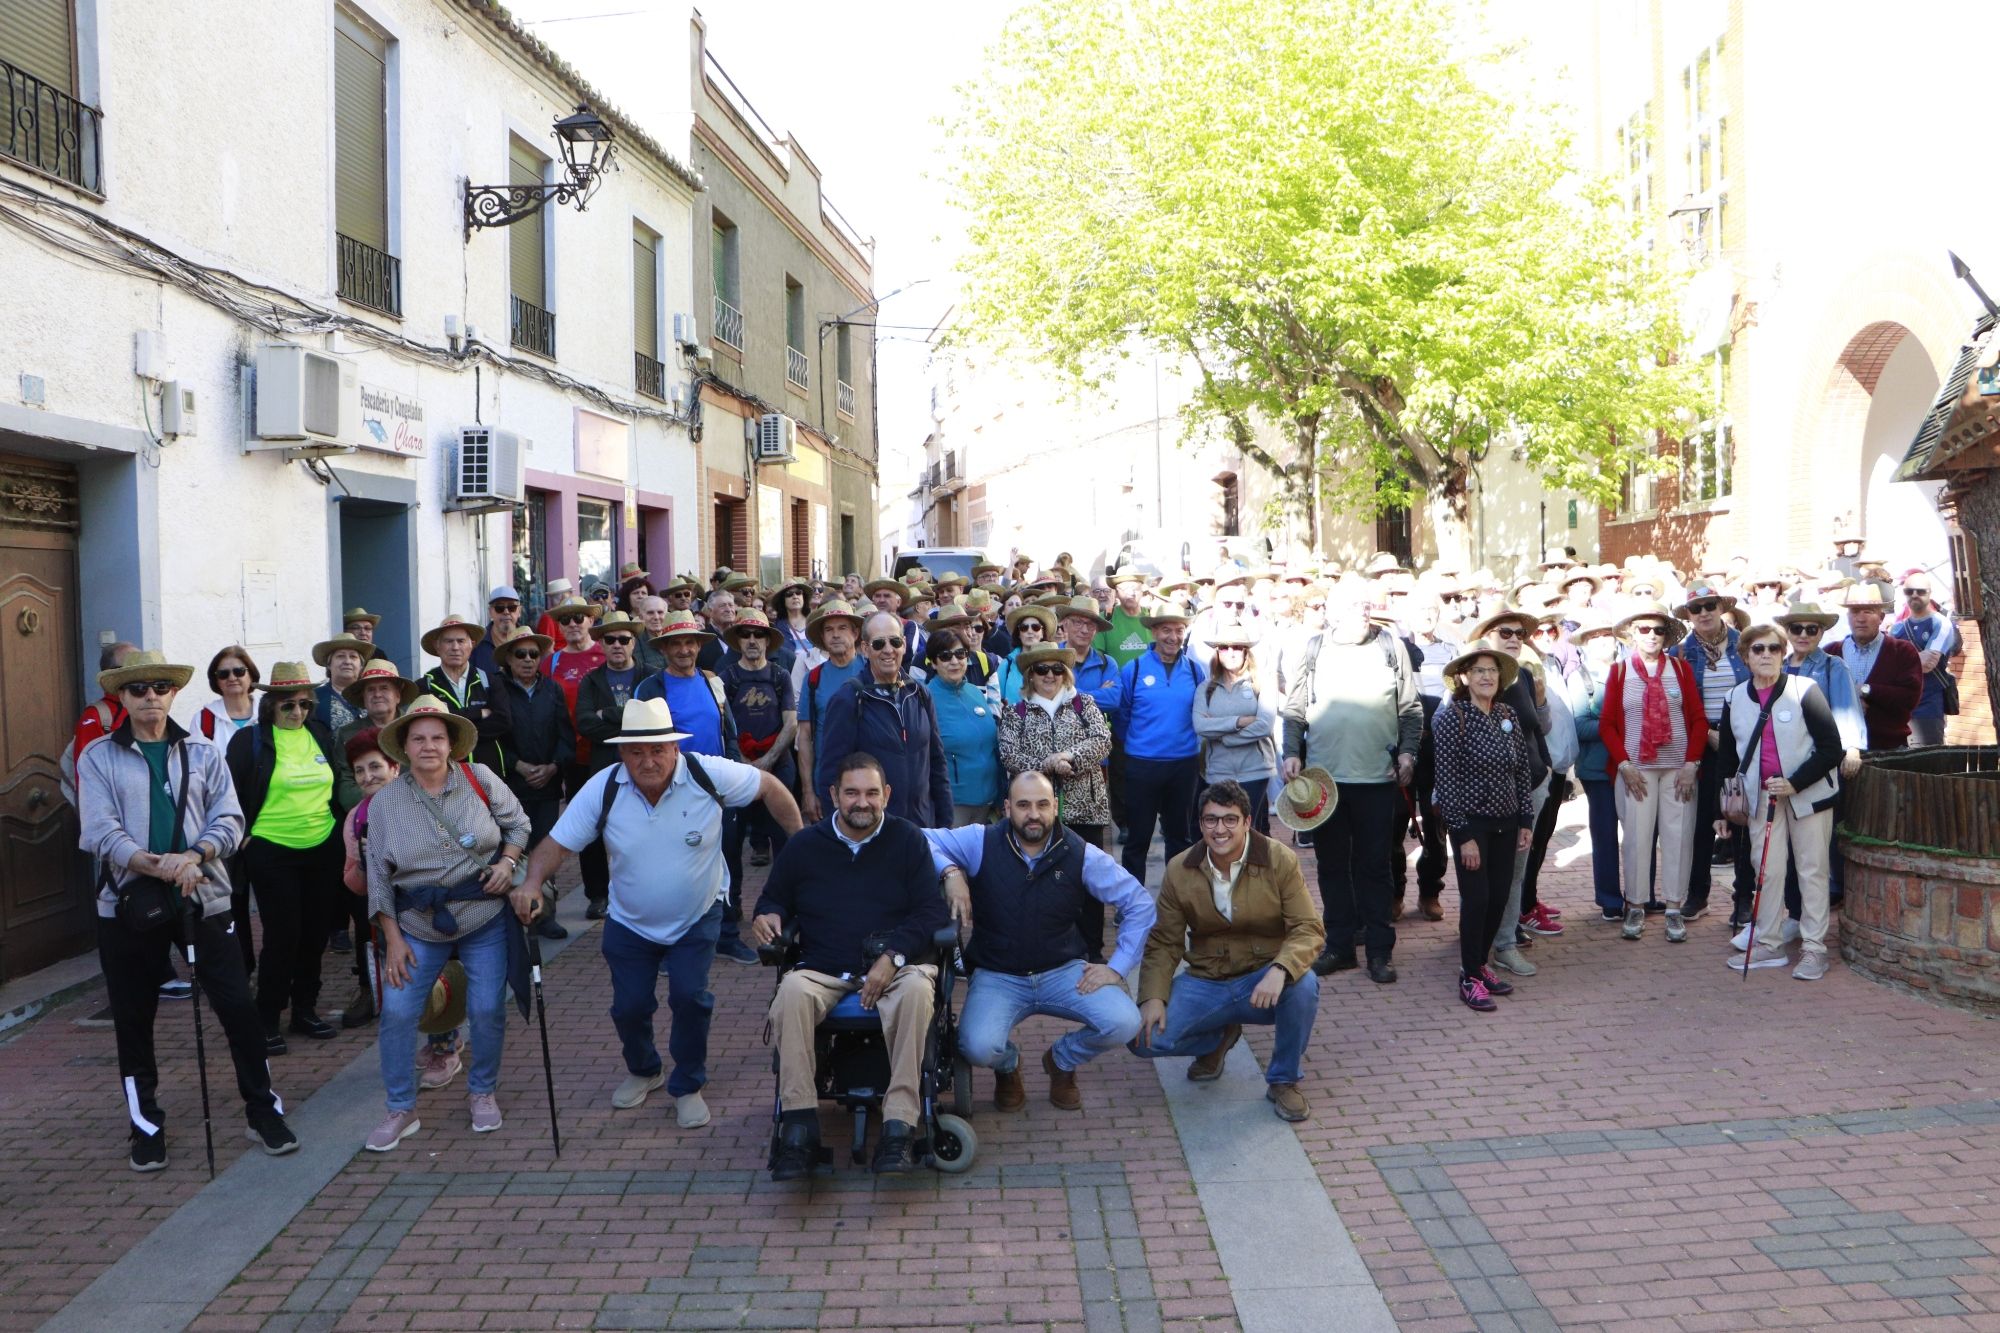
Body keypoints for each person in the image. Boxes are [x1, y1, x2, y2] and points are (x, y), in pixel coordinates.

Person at [520, 699, 801, 1130]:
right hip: (629, 920)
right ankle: (645, 1069)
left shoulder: (707, 773)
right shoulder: (603, 787)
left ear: (675, 748)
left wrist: (800, 844)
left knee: (689, 998)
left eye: (657, 749)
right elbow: (557, 843)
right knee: (629, 1007)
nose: (647, 761)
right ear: (622, 753)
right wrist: (532, 883)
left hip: (697, 914)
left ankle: (688, 1084)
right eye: (636, 751)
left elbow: (769, 786)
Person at [78, 649, 298, 1170]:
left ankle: (262, 1109)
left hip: (203, 896)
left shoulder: (202, 751)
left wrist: (194, 856)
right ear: (123, 696)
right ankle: (146, 1125)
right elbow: (99, 830)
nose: (150, 696)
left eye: (160, 686)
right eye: (138, 688)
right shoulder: (99, 756)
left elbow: (231, 819)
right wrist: (158, 865)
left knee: (237, 1007)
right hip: (129, 904)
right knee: (134, 1018)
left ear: (173, 692)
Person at [752, 752, 950, 1178]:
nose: (863, 802)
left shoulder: (907, 839)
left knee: (918, 991)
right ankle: (799, 1128)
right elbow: (773, 899)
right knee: (791, 993)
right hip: (824, 966)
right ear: (834, 795)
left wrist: (892, 957)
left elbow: (930, 912)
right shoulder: (805, 846)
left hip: (896, 967)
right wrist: (767, 916)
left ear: (887, 795)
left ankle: (899, 1124)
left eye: (872, 793)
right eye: (852, 793)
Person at [362, 699, 533, 1151]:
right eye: (418, 738)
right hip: (418, 923)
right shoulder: (385, 803)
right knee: (399, 1011)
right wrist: (392, 939)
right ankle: (401, 1107)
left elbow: (519, 825)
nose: (428, 746)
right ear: (403, 747)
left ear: (452, 743)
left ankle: (482, 1091)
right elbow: (378, 877)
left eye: (437, 737)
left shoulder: (480, 779)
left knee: (486, 1008)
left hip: (483, 915)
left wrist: (507, 863)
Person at [927, 772, 1153, 1110]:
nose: (1033, 814)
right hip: (998, 974)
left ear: (1055, 807)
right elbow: (916, 839)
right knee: (977, 1047)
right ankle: (1008, 1066)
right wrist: (950, 872)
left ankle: (1061, 1061)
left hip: (1063, 971)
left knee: (1124, 1022)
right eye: (1023, 805)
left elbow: (1140, 904)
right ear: (1007, 808)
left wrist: (1117, 968)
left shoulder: (1080, 853)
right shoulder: (980, 841)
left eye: (1042, 805)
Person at [1129, 781, 1323, 1122]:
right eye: (1211, 820)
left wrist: (1280, 969)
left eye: (1230, 819)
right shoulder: (1180, 869)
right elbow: (1164, 942)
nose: (1220, 829)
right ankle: (1218, 1038)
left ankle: (1283, 1080)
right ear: (1200, 823)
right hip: (1208, 980)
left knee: (1304, 984)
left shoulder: (1279, 859)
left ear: (1247, 822)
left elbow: (1308, 928)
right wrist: (1153, 997)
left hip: (1263, 978)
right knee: (1140, 1039)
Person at [1283, 580, 1422, 984]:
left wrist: (1408, 753)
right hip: (1324, 781)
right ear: (1332, 612)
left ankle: (1380, 950)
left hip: (1377, 778)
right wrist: (1291, 751)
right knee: (1330, 867)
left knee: (1375, 867)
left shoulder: (1390, 645)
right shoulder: (1314, 648)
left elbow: (1411, 709)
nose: (1363, 611)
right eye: (1354, 605)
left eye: (1366, 604)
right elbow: (1294, 710)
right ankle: (1340, 946)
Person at [225, 662, 345, 1053]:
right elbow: (228, 792)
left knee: (315, 935)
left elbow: (335, 785)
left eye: (305, 704)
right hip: (272, 848)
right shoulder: (249, 741)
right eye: (288, 705)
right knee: (282, 936)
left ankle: (305, 1010)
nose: (297, 712)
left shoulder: (320, 734)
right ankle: (267, 1017)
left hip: (322, 846)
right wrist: (244, 836)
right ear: (271, 705)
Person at [1718, 624, 1845, 979]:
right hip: (1760, 798)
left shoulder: (1805, 690)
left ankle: (1814, 948)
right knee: (1767, 871)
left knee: (1812, 870)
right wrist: (1720, 810)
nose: (1767, 655)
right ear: (1745, 656)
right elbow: (1727, 759)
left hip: (1808, 794)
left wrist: (1794, 782)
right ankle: (1770, 942)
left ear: (1783, 653)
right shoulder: (1734, 698)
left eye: (1774, 648)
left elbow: (1831, 749)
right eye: (1758, 649)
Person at [1428, 641, 1537, 1011]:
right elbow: (1446, 782)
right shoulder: (1452, 719)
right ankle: (1468, 976)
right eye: (1479, 670)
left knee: (1499, 897)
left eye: (1492, 670)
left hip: (1507, 823)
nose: (1487, 676)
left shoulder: (1507, 714)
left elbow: (1522, 771)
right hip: (1472, 826)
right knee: (1476, 900)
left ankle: (1479, 964)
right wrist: (1463, 836)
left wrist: (1526, 819)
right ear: (1465, 677)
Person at [997, 643, 1116, 955]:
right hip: (1038, 815)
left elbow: (1102, 740)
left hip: (1085, 809)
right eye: (1041, 669)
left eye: (1056, 669)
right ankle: (1049, 948)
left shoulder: (1084, 703)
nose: (1049, 675)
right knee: (1044, 880)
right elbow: (1009, 755)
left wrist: (1070, 757)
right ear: (1030, 675)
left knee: (1089, 879)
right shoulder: (1016, 712)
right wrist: (1047, 765)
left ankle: (1092, 949)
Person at [1598, 603, 1707, 943]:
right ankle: (1635, 905)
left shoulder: (1680, 669)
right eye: (1644, 629)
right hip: (1636, 772)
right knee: (1636, 840)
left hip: (1678, 771)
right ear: (1632, 633)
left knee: (1679, 838)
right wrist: (1624, 765)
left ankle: (1674, 908)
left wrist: (1692, 764)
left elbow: (1698, 720)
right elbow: (1607, 724)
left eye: (1658, 630)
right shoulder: (1620, 672)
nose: (1651, 635)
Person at [811, 612, 953, 828]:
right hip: (872, 830)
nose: (888, 650)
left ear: (904, 644)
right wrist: (843, 835)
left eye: (894, 642)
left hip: (923, 826)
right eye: (879, 644)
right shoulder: (848, 699)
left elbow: (937, 763)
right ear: (865, 649)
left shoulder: (919, 694)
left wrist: (945, 824)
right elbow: (831, 774)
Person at [1670, 583, 1750, 925]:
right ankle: (1698, 894)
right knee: (1701, 822)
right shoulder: (1680, 652)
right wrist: (1707, 734)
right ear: (1688, 615)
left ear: (1721, 608)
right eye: (1696, 608)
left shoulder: (1745, 644)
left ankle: (1744, 898)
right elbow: (1677, 706)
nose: (1703, 613)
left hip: (1743, 739)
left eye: (1709, 605)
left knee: (1743, 818)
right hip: (1701, 742)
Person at [491, 626, 573, 943]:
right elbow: (494, 738)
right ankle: (515, 915)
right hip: (510, 787)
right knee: (511, 850)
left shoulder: (552, 690)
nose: (527, 660)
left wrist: (553, 767)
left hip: (547, 786)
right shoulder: (497, 689)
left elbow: (565, 735)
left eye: (533, 654)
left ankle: (545, 914)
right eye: (520, 654)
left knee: (545, 849)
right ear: (509, 659)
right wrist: (518, 765)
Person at [1116, 600, 1206, 884]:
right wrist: (1141, 744)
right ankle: (1132, 901)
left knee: (1180, 838)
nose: (1173, 637)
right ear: (1154, 632)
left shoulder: (1195, 671)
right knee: (1137, 839)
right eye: (1166, 630)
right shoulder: (1134, 669)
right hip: (1142, 765)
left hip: (1183, 765)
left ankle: (1178, 897)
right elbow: (1122, 715)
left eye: (1179, 630)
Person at [718, 609, 797, 917]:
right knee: (731, 842)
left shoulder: (780, 676)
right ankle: (732, 904)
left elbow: (790, 723)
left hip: (778, 767)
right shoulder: (727, 677)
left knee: (783, 840)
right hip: (737, 770)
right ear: (738, 640)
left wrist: (767, 760)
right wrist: (743, 762)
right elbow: (723, 725)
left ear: (767, 639)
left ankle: (784, 904)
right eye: (745, 634)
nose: (752, 640)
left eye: (758, 634)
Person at [1567, 616, 1628, 921]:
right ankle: (1610, 899)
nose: (1603, 641)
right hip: (1598, 769)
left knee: (1640, 833)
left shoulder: (1631, 671)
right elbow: (1578, 725)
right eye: (1595, 637)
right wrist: (1616, 727)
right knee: (1605, 835)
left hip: (1632, 766)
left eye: (1607, 635)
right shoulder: (1580, 678)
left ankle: (1642, 894)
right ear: (1585, 645)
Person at [1191, 621, 1276, 833]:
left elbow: (1264, 725)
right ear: (1217, 652)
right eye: (1224, 647)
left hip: (1255, 771)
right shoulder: (1206, 688)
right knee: (1223, 831)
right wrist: (1239, 721)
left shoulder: (1261, 683)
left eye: (1237, 647)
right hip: (1218, 772)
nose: (1231, 652)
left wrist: (1223, 736)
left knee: (1250, 832)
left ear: (1246, 652)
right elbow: (1200, 726)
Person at [1826, 581, 1924, 751]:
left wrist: (1867, 690)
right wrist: (1850, 701)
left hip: (1889, 748)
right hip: (1839, 748)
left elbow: (1910, 697)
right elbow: (1816, 697)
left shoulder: (1902, 652)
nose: (1861, 618)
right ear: (1848, 616)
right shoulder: (1830, 653)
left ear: (1881, 617)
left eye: (1868, 611)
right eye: (1855, 611)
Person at [797, 599, 867, 824]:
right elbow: (805, 737)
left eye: (842, 628)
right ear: (822, 637)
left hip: (869, 782)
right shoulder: (813, 678)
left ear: (855, 633)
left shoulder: (871, 671)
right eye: (829, 629)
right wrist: (808, 791)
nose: (835, 635)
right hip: (828, 783)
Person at [925, 629, 1003, 826]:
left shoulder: (975, 692)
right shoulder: (924, 699)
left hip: (988, 803)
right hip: (952, 805)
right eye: (945, 656)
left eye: (960, 654)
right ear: (933, 662)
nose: (954, 661)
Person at [419, 613, 512, 773]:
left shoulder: (490, 681)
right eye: (448, 641)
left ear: (472, 645)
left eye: (461, 641)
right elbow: (429, 726)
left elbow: (503, 721)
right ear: (437, 646)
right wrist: (478, 713)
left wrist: (451, 725)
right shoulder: (425, 685)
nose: (455, 647)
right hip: (443, 775)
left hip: (489, 774)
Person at [1891, 572, 1959, 747]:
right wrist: (1913, 660)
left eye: (1920, 591)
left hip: (1927, 709)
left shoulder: (1941, 624)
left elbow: (1928, 664)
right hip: (1899, 709)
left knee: (1928, 761)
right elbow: (1886, 665)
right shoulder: (1897, 628)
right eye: (1909, 591)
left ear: (1930, 593)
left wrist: (1898, 662)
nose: (1914, 595)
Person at [195, 646, 260, 748]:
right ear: (216, 681)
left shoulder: (269, 714)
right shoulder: (203, 720)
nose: (232, 678)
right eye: (223, 674)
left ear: (251, 675)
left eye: (239, 671)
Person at [993, 605, 1056, 703]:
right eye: (1024, 628)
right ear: (1018, 634)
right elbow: (995, 701)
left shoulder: (1053, 663)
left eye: (1035, 627)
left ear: (1042, 633)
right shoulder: (1007, 664)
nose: (1029, 631)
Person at [311, 635, 369, 733]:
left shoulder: (371, 695)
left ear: (361, 666)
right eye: (340, 656)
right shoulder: (314, 698)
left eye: (353, 657)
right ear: (329, 664)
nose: (347, 661)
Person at [467, 586, 524, 680]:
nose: (506, 612)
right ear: (490, 612)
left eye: (512, 607)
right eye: (499, 608)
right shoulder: (476, 644)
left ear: (519, 611)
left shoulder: (530, 642)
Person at [634, 596, 671, 676]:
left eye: (660, 612)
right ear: (641, 617)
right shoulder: (634, 642)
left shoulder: (675, 637)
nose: (656, 617)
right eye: (650, 613)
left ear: (667, 615)